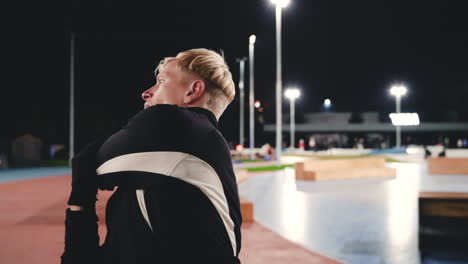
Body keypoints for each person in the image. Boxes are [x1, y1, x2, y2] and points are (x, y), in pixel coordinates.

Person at [61, 49, 242, 264]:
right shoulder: (194, 148)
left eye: (161, 81)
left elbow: (87, 162)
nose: (146, 93)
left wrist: (80, 199)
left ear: (193, 90)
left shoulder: (177, 125)